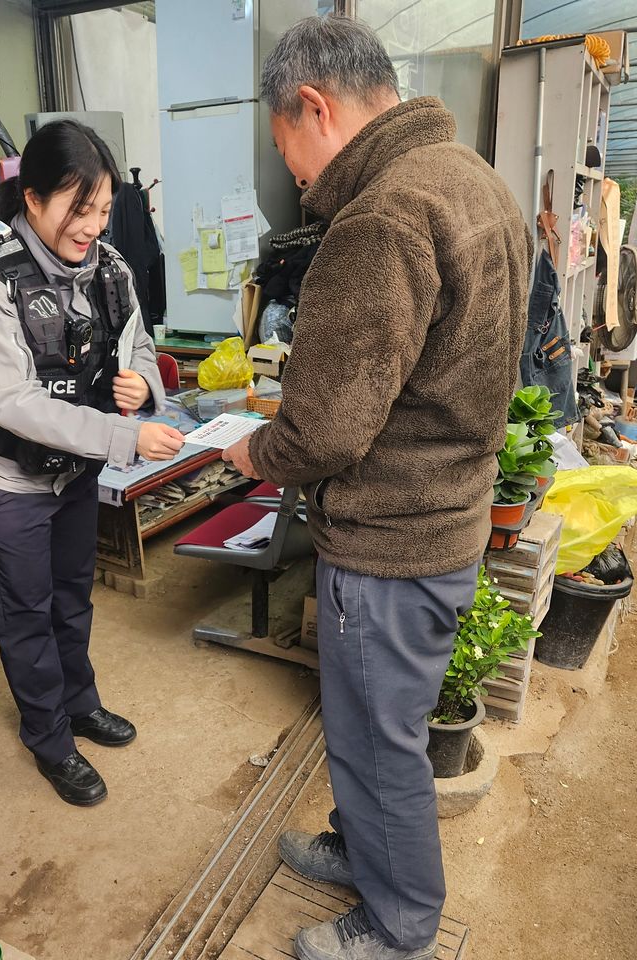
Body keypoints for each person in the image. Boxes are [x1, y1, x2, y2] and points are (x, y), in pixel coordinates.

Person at [222, 17, 532, 960]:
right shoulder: (471, 180)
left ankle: (399, 927)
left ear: (315, 107)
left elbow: (323, 429)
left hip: (389, 543)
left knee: (376, 742)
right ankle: (362, 851)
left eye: (290, 156)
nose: (300, 182)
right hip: (446, 515)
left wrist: (255, 452)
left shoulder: (383, 218)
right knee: (379, 725)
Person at [0, 121, 185, 806]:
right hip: (7, 481)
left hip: (73, 474)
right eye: (77, 210)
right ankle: (50, 739)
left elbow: (139, 346)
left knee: (70, 600)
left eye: (103, 210)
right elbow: (12, 402)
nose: (92, 226)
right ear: (31, 199)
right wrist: (124, 440)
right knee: (25, 615)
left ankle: (80, 705)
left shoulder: (109, 270)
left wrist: (144, 387)